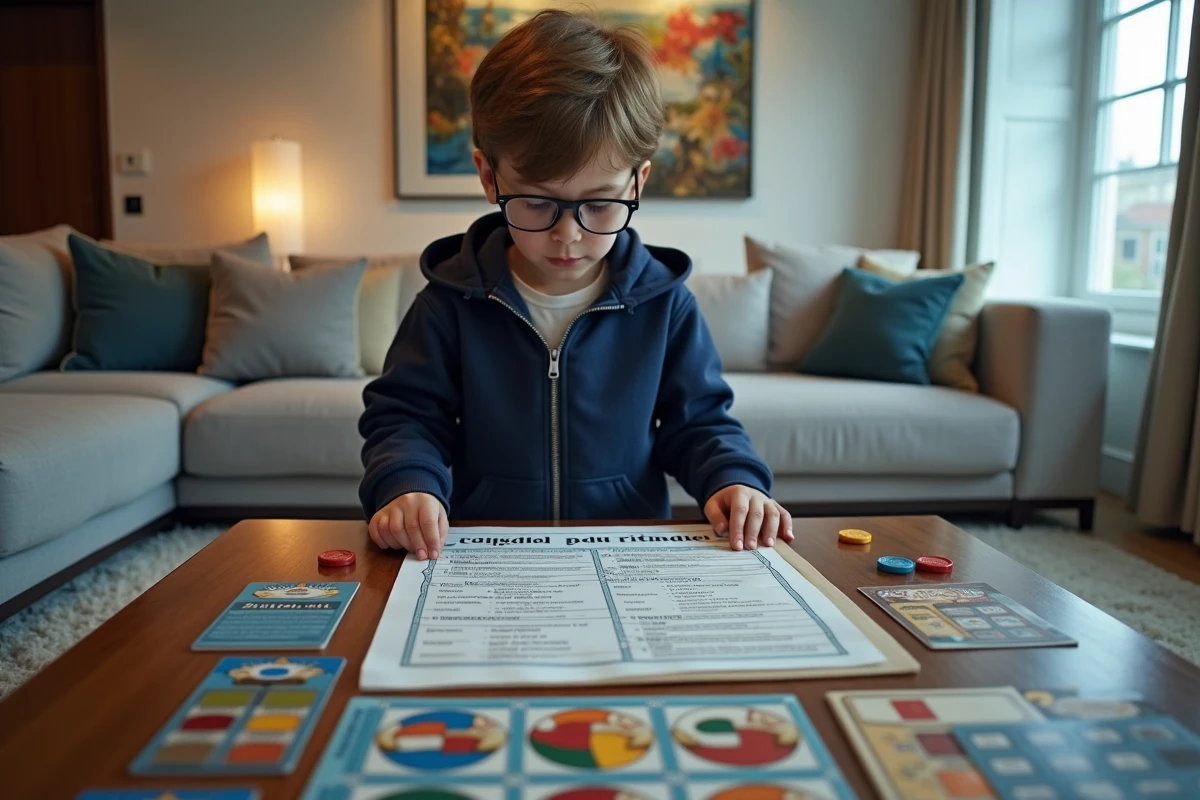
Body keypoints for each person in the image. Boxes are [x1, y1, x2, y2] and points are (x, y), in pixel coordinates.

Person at [359, 9, 792, 560]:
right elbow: (405, 417)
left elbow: (700, 422)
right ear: (489, 177)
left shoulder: (665, 305)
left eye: (601, 204)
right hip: (488, 553)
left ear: (639, 181)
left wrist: (732, 478)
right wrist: (408, 484)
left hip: (628, 552)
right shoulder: (448, 302)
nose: (568, 235)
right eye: (538, 202)